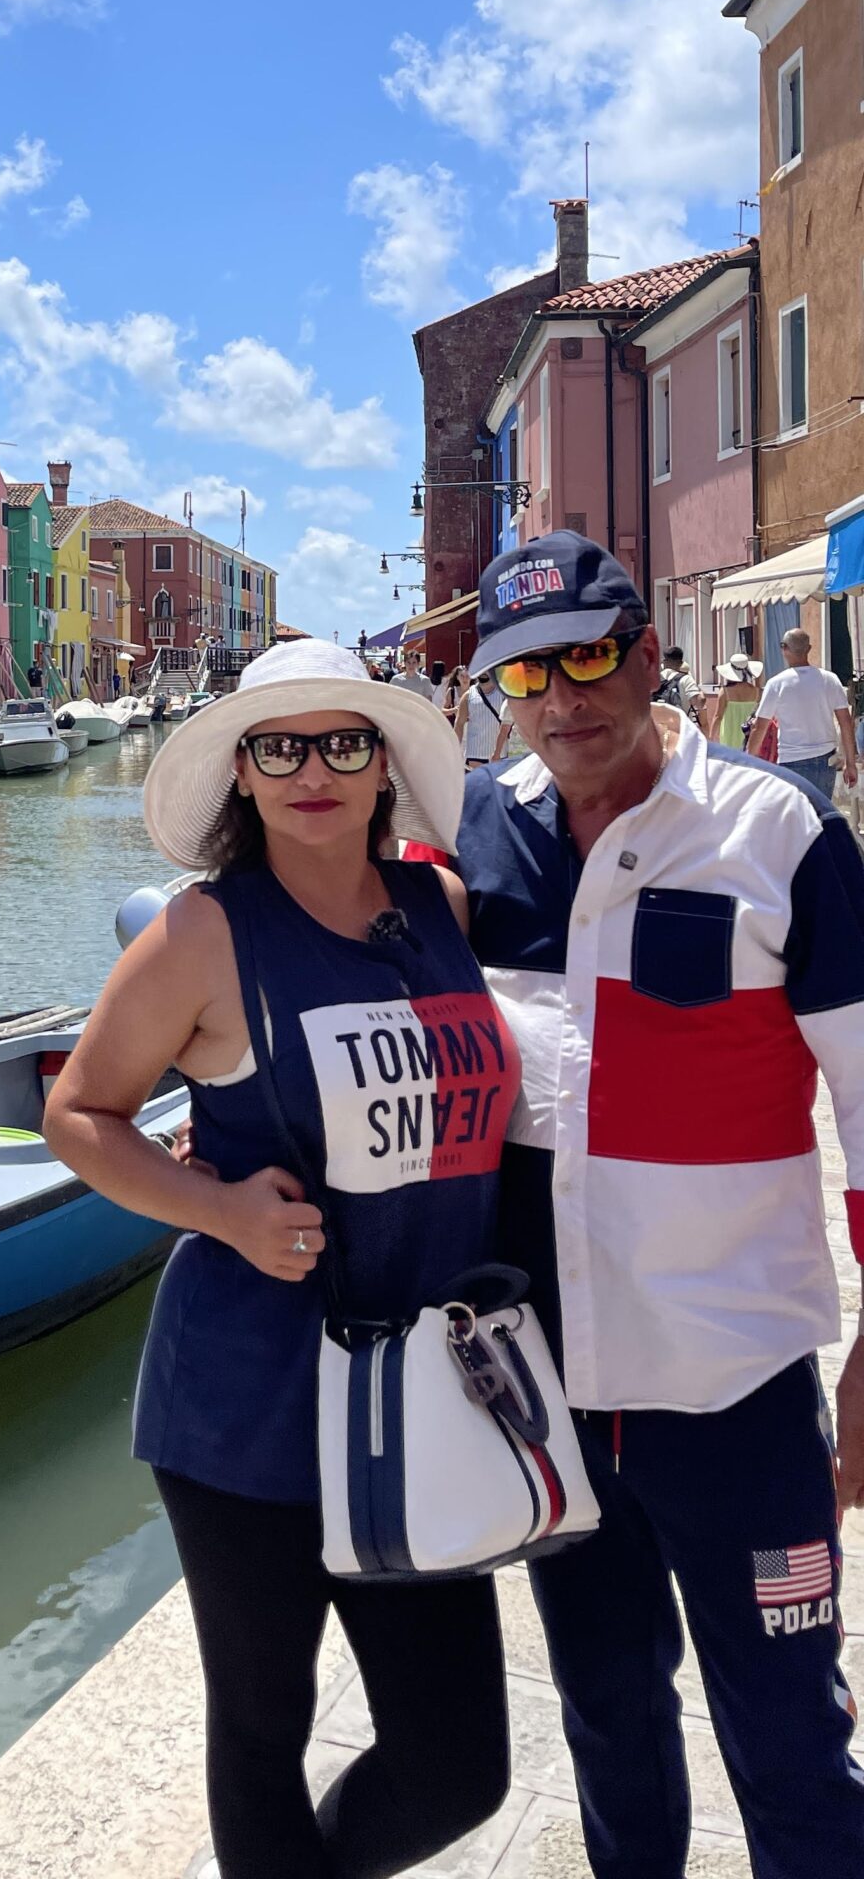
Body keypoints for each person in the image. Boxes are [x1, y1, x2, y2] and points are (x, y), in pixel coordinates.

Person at [45, 640, 515, 1879]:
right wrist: (221, 1208)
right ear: (241, 775)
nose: (314, 769)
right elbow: (80, 1114)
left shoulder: (440, 909)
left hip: (419, 1395)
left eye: (344, 743)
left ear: (382, 772)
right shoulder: (205, 933)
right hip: (249, 1399)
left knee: (462, 1758)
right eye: (280, 746)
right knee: (262, 1729)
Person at [459, 531, 864, 1877]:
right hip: (553, 1401)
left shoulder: (779, 831)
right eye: (526, 672)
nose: (562, 697)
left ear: (643, 652)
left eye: (585, 655)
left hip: (736, 1389)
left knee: (794, 1747)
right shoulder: (479, 838)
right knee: (611, 1726)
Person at [748, 624, 857, 798]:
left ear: (784, 649)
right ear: (809, 649)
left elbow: (759, 727)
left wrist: (749, 761)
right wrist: (850, 763)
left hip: (792, 762)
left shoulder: (776, 684)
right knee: (820, 818)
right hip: (825, 761)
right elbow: (846, 722)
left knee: (796, 820)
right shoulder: (830, 680)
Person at [700, 648, 762, 750]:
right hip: (749, 733)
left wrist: (711, 736)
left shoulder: (725, 692)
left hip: (729, 733)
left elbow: (718, 716)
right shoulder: (757, 692)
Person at [454, 665, 509, 769]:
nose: (483, 672)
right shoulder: (468, 695)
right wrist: (455, 749)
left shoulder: (503, 693)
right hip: (475, 753)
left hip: (499, 752)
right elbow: (459, 724)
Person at [653, 643, 701, 722]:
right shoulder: (686, 679)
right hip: (680, 727)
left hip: (658, 726)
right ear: (681, 663)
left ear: (664, 662)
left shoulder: (655, 678)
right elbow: (699, 702)